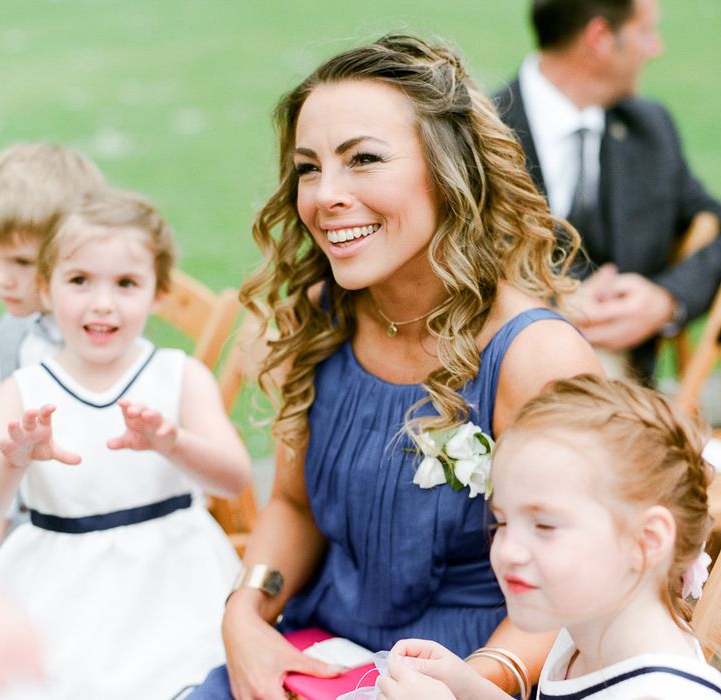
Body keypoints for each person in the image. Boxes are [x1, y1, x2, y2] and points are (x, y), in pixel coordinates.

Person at [188, 34, 601, 700]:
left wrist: (473, 683)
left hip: (474, 671)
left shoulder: (533, 356)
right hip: (324, 658)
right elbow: (294, 506)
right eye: (308, 167)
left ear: (449, 169)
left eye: (363, 160)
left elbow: (580, 575)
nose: (325, 196)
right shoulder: (318, 319)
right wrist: (245, 610)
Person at [0, 187, 252, 699]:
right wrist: (13, 460)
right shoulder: (21, 392)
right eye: (79, 281)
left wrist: (173, 442)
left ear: (157, 292)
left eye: (126, 283)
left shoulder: (178, 376)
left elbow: (234, 477)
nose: (102, 303)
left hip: (173, 581)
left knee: (188, 680)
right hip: (56, 584)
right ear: (45, 291)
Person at [377, 373, 721, 699]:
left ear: (645, 541)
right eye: (502, 523)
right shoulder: (585, 630)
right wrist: (467, 685)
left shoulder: (666, 692)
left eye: (544, 526)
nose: (507, 550)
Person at [493, 0, 721, 382]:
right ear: (600, 37)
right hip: (504, 384)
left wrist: (666, 300)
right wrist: (552, 305)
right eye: (646, 32)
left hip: (627, 392)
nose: (656, 49)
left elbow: (715, 224)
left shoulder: (650, 128)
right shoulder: (476, 131)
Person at [0, 142, 107, 549]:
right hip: (35, 515)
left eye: (21, 263)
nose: (2, 279)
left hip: (100, 514)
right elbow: (6, 437)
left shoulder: (105, 331)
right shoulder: (14, 330)